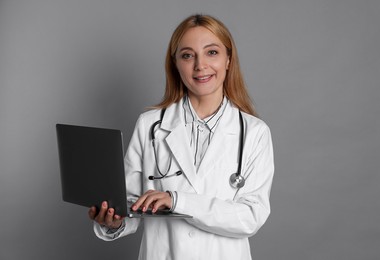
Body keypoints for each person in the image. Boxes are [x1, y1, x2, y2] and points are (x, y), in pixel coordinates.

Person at [88, 14, 274, 260]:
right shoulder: (150, 125)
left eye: (212, 52)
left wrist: (176, 201)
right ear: (175, 63)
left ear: (229, 59)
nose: (200, 65)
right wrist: (113, 222)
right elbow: (132, 205)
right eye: (187, 55)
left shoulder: (254, 132)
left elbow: (250, 217)